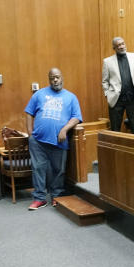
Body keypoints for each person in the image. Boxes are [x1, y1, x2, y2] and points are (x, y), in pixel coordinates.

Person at [24, 68, 82, 210]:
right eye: (52, 78)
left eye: (57, 77)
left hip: (59, 141)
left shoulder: (71, 97)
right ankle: (39, 198)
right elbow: (28, 112)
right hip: (38, 141)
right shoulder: (39, 94)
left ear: (62, 77)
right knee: (38, 168)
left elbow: (76, 117)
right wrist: (30, 133)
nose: (55, 80)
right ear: (49, 79)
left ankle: (56, 196)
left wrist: (64, 129)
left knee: (58, 170)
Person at [101, 37, 134, 133]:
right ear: (114, 48)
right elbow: (105, 81)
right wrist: (107, 94)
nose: (121, 47)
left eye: (122, 44)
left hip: (133, 98)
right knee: (115, 129)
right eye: (118, 45)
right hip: (116, 99)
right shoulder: (107, 62)